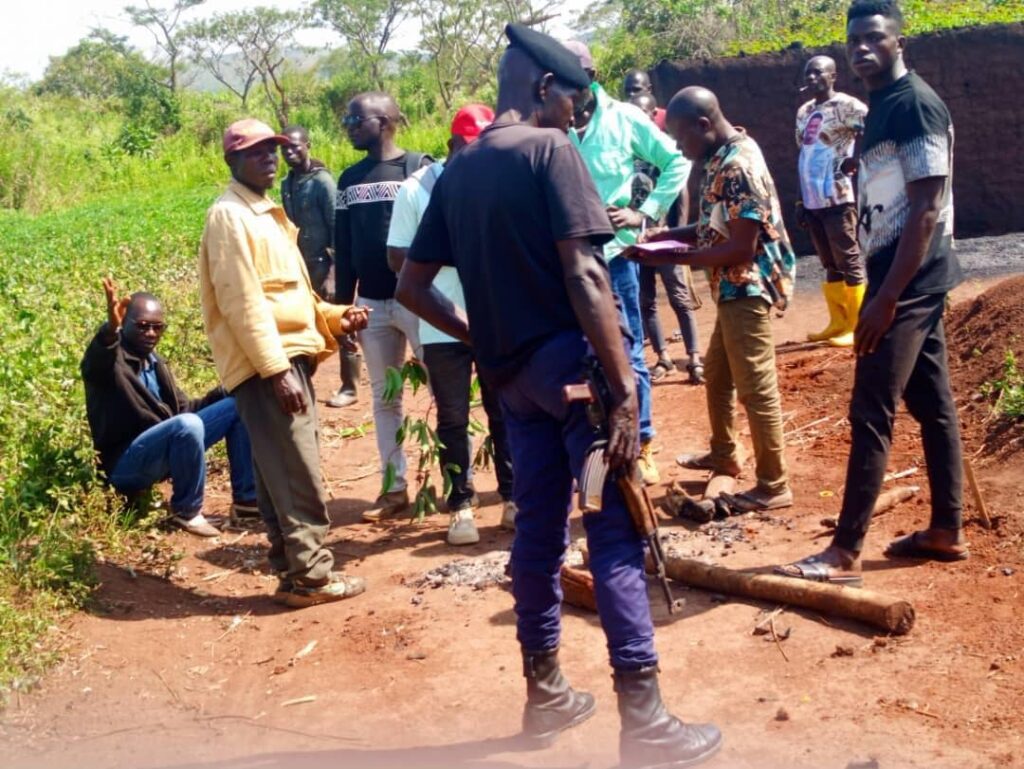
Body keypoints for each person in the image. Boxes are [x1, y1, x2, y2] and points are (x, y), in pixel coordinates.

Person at [396, 23, 721, 768]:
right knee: (612, 531)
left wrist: (477, 334)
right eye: (576, 96)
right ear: (544, 87)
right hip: (574, 377)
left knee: (538, 534)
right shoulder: (551, 152)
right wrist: (622, 397)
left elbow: (411, 284)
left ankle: (545, 694)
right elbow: (585, 277)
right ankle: (645, 723)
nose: (582, 110)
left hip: (511, 386)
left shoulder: (459, 171)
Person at [776, 0, 967, 585]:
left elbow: (927, 211)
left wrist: (884, 298)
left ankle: (844, 551)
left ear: (899, 43)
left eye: (874, 38)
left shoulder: (915, 107)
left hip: (907, 276)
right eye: (854, 39)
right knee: (932, 404)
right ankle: (945, 530)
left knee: (870, 408)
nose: (861, 48)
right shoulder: (880, 106)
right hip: (901, 271)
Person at [199, 118, 370, 608]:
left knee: (279, 474)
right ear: (232, 161)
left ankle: (295, 573)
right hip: (267, 365)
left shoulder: (264, 213)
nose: (270, 158)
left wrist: (336, 318)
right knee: (298, 471)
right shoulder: (230, 216)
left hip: (282, 359)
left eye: (272, 150)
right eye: (256, 153)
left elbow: (289, 295)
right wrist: (275, 370)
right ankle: (313, 577)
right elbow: (242, 302)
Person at [626, 86, 795, 514]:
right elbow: (718, 222)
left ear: (704, 126)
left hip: (747, 286)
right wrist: (668, 235)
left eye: (682, 139)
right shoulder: (723, 153)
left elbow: (740, 247)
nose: (680, 149)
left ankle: (773, 484)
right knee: (718, 375)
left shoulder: (738, 165)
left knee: (757, 388)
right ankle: (724, 454)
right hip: (730, 286)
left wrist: (679, 255)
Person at [386, 104, 517, 546]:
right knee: (454, 416)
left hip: (496, 315)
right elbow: (396, 256)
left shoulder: (500, 182)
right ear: (451, 145)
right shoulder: (416, 190)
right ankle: (460, 503)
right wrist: (451, 256)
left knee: (504, 408)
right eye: (468, 146)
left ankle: (513, 496)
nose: (477, 154)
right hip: (440, 319)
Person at [564, 39, 690, 486]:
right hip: (564, 262)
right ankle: (591, 449)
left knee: (628, 351)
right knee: (575, 356)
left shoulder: (623, 119)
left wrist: (645, 212)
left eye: (571, 76)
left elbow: (675, 162)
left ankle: (643, 442)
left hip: (613, 257)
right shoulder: (550, 124)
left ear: (591, 77)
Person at [82, 279, 257, 537]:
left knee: (235, 406)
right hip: (125, 464)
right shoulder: (111, 363)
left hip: (161, 449)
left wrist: (228, 388)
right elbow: (97, 360)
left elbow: (185, 408)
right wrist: (109, 330)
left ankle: (247, 501)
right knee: (187, 424)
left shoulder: (155, 363)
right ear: (124, 323)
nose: (151, 333)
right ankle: (185, 512)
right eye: (142, 326)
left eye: (157, 327)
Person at [333, 91, 431, 521]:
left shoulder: (420, 168)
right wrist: (342, 312)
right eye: (347, 120)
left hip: (419, 300)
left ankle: (456, 483)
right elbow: (346, 246)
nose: (349, 126)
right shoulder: (348, 180)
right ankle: (394, 490)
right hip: (372, 305)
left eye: (356, 119)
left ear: (386, 120)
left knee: (442, 389)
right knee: (384, 399)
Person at [281, 125, 364, 410]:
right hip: (301, 270)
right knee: (303, 329)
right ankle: (304, 387)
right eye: (284, 149)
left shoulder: (323, 183)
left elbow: (337, 230)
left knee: (342, 327)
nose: (290, 152)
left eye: (295, 146)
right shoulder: (286, 184)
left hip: (325, 267)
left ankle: (351, 386)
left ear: (308, 145)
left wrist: (333, 273)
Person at [629, 91, 704, 385]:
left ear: (652, 115)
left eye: (644, 112)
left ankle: (694, 357)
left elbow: (681, 193)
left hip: (662, 236)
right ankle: (663, 357)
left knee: (679, 298)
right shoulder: (628, 150)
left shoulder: (662, 148)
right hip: (636, 239)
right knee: (645, 300)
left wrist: (677, 235)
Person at [795, 55, 868, 347]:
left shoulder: (848, 106)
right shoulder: (804, 111)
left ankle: (858, 324)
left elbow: (872, 129)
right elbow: (805, 154)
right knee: (828, 260)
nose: (811, 78)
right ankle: (838, 321)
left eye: (817, 73)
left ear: (833, 76)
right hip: (813, 199)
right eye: (807, 74)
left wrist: (857, 159)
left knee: (848, 257)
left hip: (837, 194)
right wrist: (801, 200)